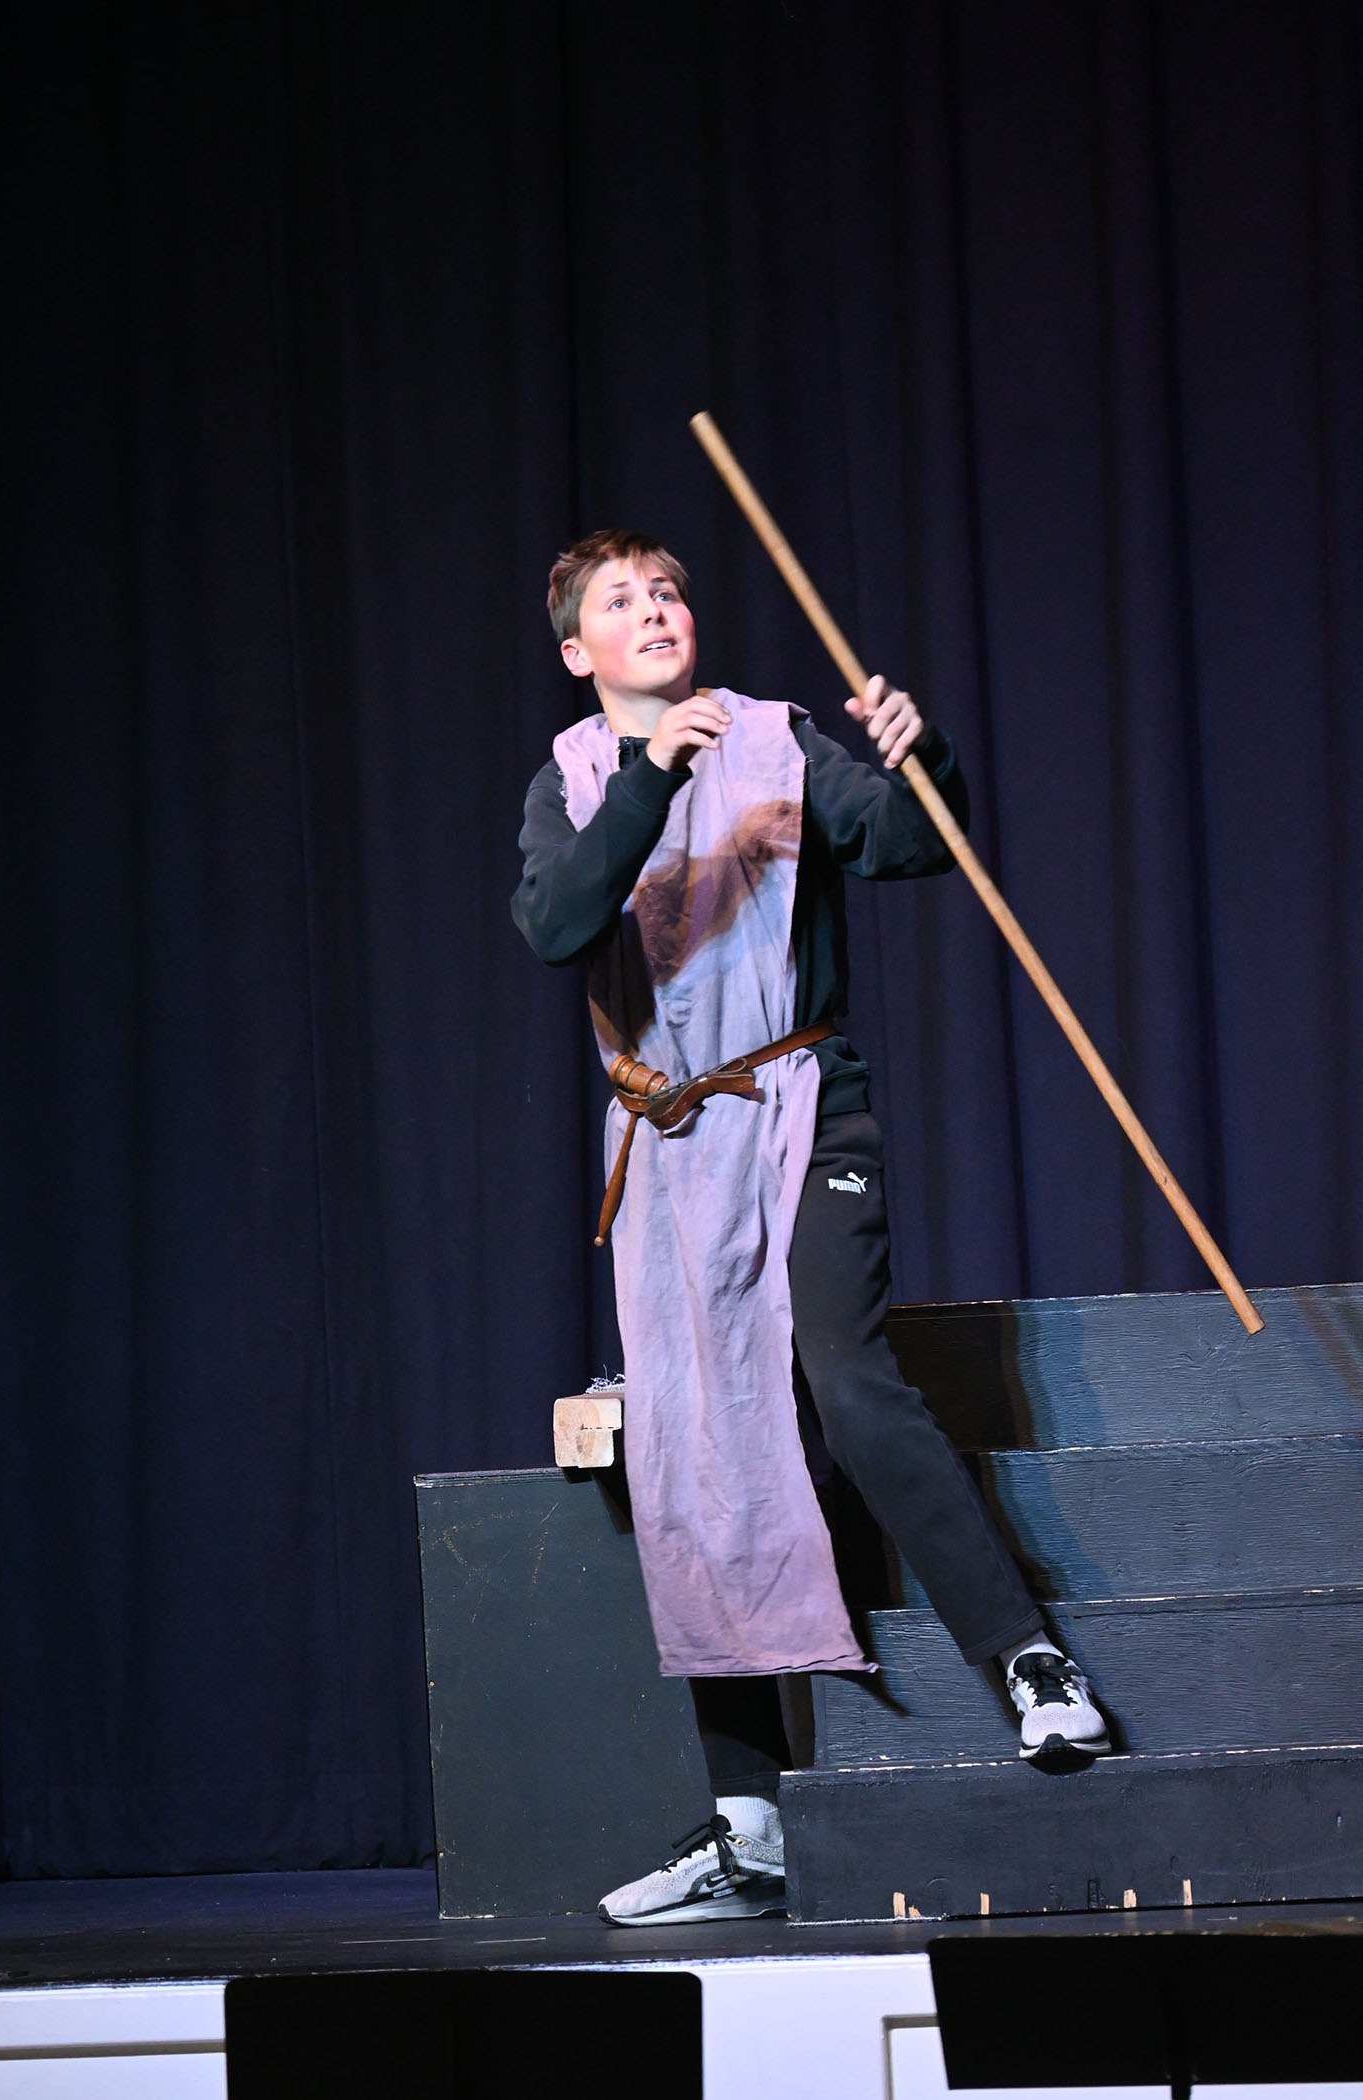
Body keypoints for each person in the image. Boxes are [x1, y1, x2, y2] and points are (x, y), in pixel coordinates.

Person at [512, 528, 1109, 1928]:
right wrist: (653, 779)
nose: (656, 609)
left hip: (800, 1107)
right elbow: (556, 923)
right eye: (621, 601)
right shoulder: (574, 778)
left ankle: (1031, 1663)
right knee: (694, 1434)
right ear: (580, 653)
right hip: (671, 1141)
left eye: (668, 590)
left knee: (844, 1377)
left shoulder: (776, 738)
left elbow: (909, 843)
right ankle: (748, 1822)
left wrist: (921, 758)